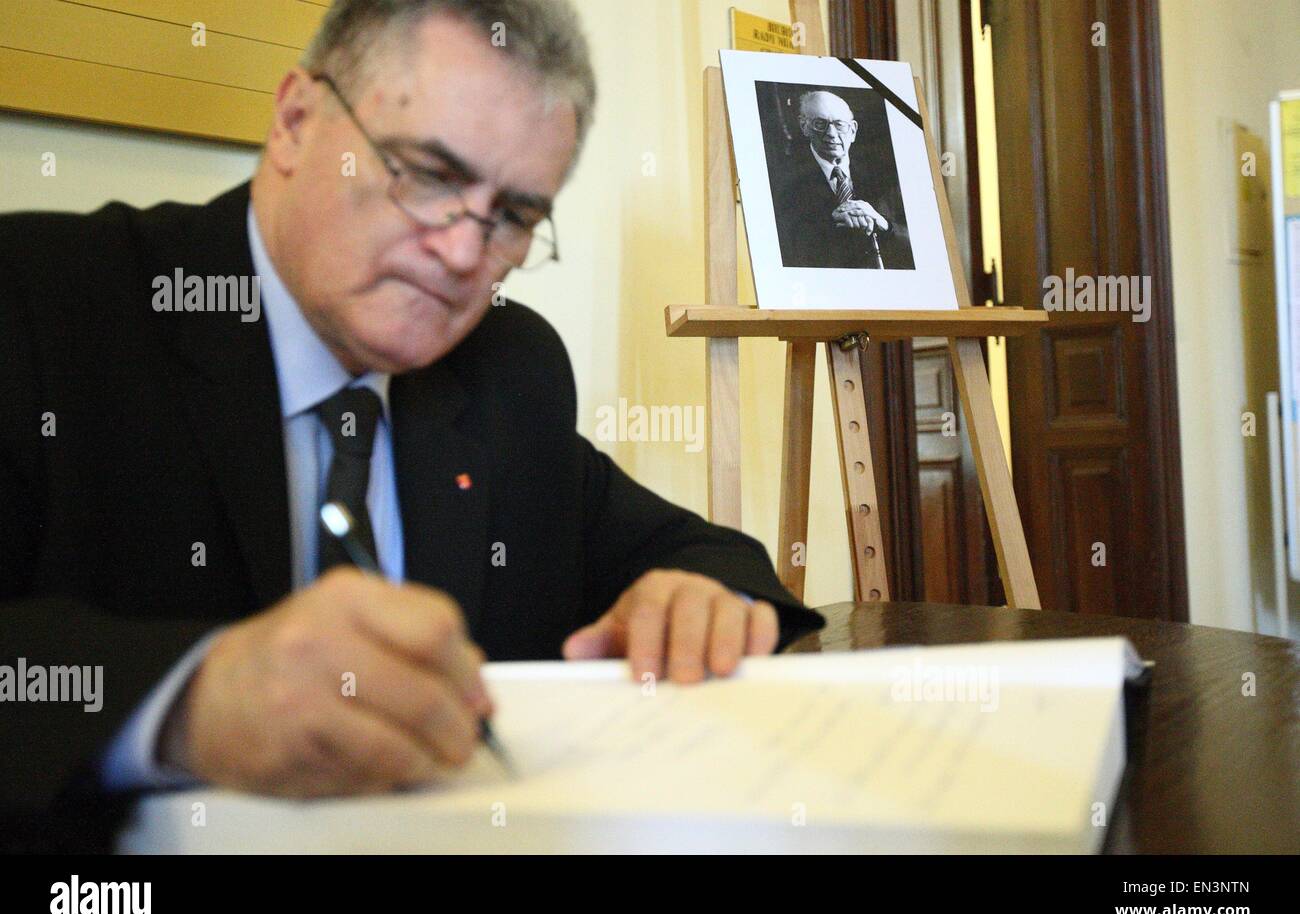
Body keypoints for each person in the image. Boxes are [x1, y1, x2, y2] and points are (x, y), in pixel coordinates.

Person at [0, 0, 822, 852]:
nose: (466, 255)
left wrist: (703, 600)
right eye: (428, 174)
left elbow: (698, 554)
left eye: (511, 216)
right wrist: (185, 701)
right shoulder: (42, 306)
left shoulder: (510, 370)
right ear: (294, 121)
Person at [773, 90, 914, 270]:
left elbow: (920, 247)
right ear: (804, 127)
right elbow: (784, 250)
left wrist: (884, 224)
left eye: (839, 125)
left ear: (853, 130)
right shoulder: (783, 181)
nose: (831, 133)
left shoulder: (884, 178)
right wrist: (831, 222)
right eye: (820, 124)